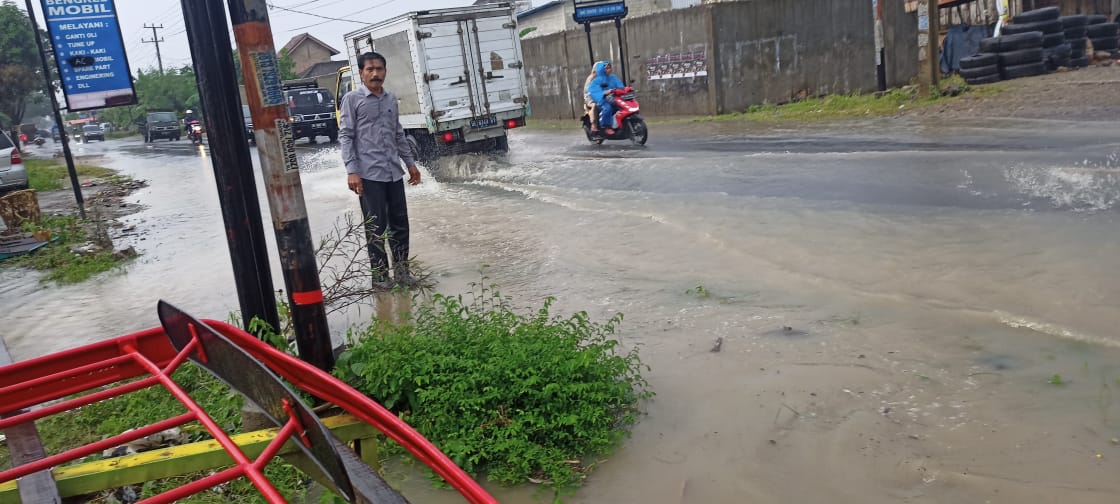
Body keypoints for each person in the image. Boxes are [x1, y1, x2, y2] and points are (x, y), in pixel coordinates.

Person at [338, 51, 422, 288]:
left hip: (393, 172)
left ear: (385, 71)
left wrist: (410, 164)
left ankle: (403, 273)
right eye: (370, 69)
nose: (375, 74)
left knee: (400, 224)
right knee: (376, 227)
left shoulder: (389, 98)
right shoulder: (352, 100)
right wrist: (352, 171)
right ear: (362, 73)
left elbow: (398, 134)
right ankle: (380, 277)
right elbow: (346, 135)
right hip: (368, 174)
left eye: (380, 69)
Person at [586, 61, 625, 135]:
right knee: (607, 108)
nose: (609, 70)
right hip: (602, 100)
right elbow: (593, 91)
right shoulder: (596, 80)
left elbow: (620, 86)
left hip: (613, 98)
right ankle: (606, 127)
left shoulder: (613, 77)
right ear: (601, 70)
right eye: (606, 68)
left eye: (609, 68)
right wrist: (604, 93)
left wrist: (625, 89)